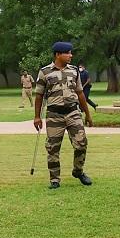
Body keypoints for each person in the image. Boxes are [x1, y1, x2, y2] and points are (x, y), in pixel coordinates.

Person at [33, 41, 94, 189]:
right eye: (67, 53)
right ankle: (55, 179)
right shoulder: (45, 72)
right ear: (58, 54)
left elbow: (80, 93)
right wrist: (37, 117)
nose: (70, 55)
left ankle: (78, 171)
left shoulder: (74, 71)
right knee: (53, 148)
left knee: (81, 143)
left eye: (71, 52)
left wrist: (87, 114)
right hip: (54, 114)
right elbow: (39, 96)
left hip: (73, 112)